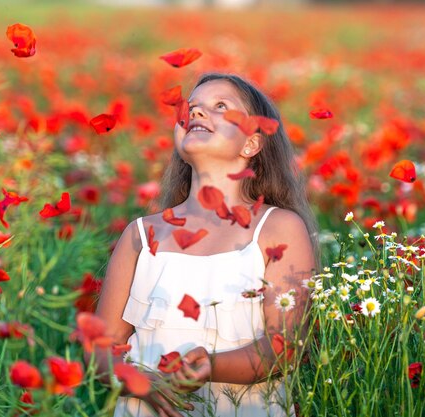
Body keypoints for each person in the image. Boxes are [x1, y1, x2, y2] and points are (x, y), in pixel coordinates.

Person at [95, 73, 317, 417]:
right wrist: (144, 382)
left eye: (220, 107)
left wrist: (211, 366)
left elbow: (283, 348)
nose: (196, 114)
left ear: (251, 145)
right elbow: (100, 351)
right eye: (192, 108)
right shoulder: (139, 235)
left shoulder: (278, 228)